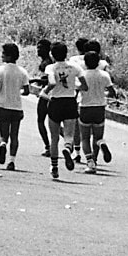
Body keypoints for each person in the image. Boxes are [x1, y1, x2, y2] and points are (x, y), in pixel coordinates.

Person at [44, 41, 83, 180]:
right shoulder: (75, 67)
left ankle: (54, 167)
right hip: (70, 101)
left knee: (54, 138)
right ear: (66, 53)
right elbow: (84, 84)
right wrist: (76, 87)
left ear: (51, 54)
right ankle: (67, 148)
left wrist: (45, 91)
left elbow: (52, 82)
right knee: (69, 135)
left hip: (55, 102)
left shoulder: (50, 68)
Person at [0, 42, 31, 171]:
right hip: (17, 107)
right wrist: (17, 91)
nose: (2, 56)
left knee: (3, 134)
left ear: (8, 56)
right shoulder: (22, 72)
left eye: (3, 53)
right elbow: (26, 90)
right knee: (15, 135)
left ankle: (3, 143)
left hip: (3, 105)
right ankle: (11, 161)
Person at [76, 51, 115, 173]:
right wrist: (103, 93)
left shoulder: (82, 75)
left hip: (85, 107)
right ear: (98, 62)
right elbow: (112, 92)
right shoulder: (104, 75)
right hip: (99, 107)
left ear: (85, 63)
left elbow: (77, 91)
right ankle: (100, 146)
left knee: (85, 137)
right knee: (97, 137)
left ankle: (90, 163)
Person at [33, 38, 54, 157]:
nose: (38, 50)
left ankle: (47, 146)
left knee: (41, 120)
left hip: (46, 95)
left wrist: (36, 80)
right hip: (48, 94)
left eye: (41, 48)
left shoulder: (47, 63)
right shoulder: (46, 62)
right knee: (51, 121)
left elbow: (48, 80)